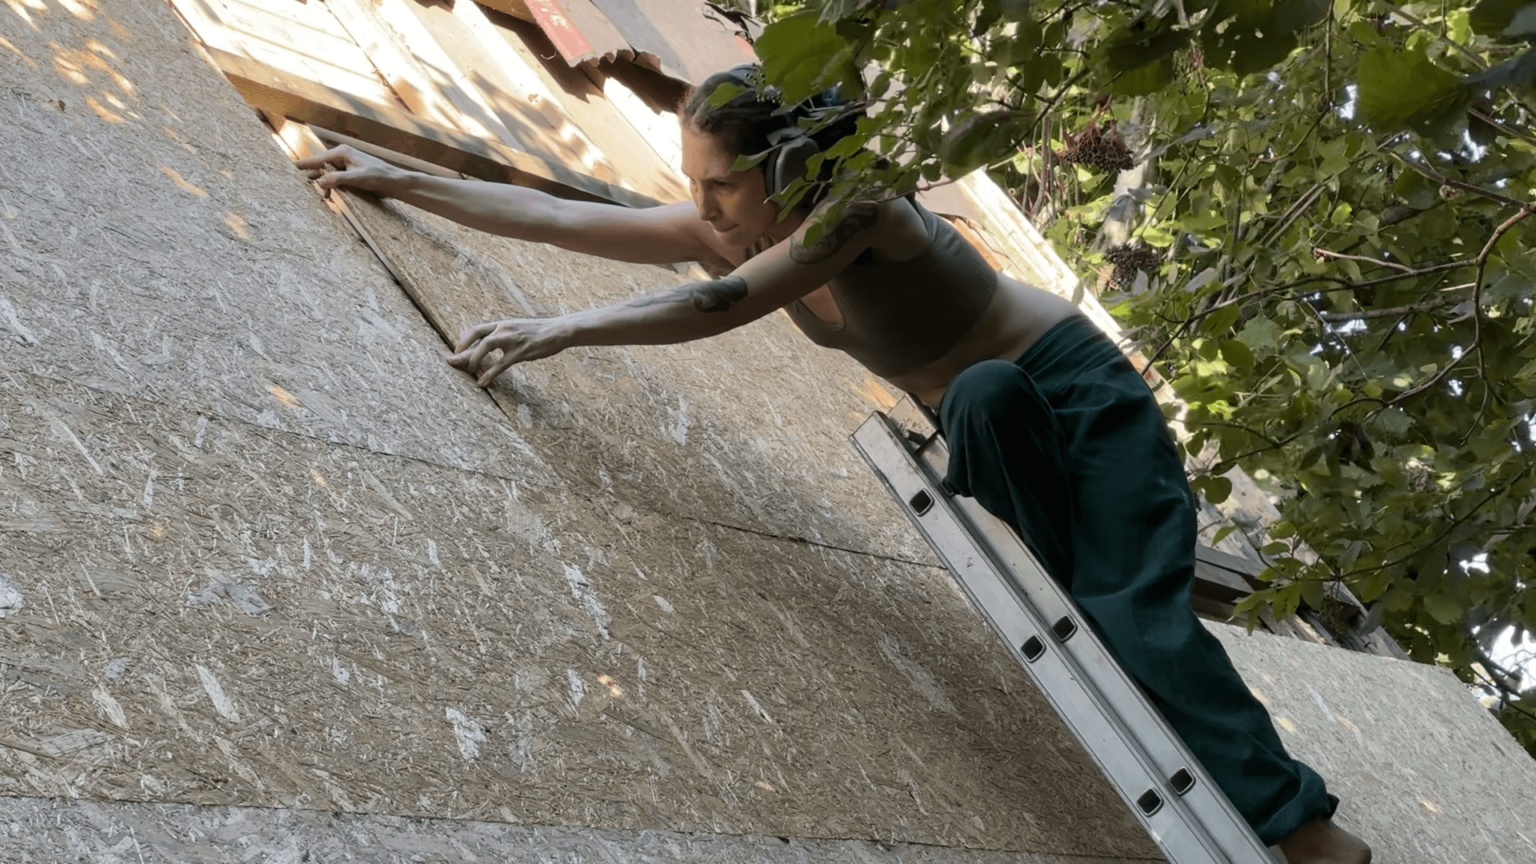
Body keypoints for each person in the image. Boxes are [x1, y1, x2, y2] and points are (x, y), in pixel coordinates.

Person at [295, 65, 1371, 864]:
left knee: (1130, 613)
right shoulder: (735, 230)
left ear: (793, 167)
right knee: (1061, 564)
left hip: (1085, 402)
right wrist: (397, 172)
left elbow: (719, 306)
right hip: (996, 413)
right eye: (696, 189)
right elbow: (559, 213)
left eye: (720, 187)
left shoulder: (863, 214)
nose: (706, 209)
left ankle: (1308, 834)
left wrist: (561, 331)